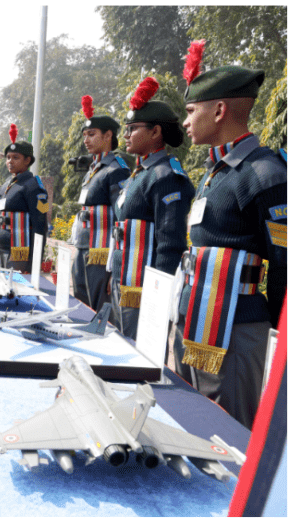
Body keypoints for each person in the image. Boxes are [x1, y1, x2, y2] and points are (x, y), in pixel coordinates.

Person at [171, 41, 287, 429]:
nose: (185, 122)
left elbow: (284, 262)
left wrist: (270, 331)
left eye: (191, 111)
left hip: (236, 329)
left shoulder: (264, 174)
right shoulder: (219, 170)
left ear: (219, 110)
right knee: (190, 424)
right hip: (196, 320)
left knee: (228, 432)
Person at [109, 77, 195, 340]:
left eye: (132, 128)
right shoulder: (141, 172)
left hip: (144, 290)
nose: (125, 135)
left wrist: (158, 300)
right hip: (124, 280)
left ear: (155, 132)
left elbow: (169, 245)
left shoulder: (166, 176)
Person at [71, 95, 130, 311]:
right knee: (79, 306)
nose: (86, 140)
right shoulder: (93, 169)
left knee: (98, 312)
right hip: (84, 247)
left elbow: (121, 218)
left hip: (101, 253)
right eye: (85, 135)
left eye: (92, 134)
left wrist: (113, 269)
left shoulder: (117, 170)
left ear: (108, 136)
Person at [0, 124, 49, 273]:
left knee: (16, 288)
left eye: (16, 157)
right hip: (2, 247)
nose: (10, 161)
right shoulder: (7, 184)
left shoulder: (33, 186)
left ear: (27, 160)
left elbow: (40, 223)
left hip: (20, 250)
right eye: (8, 158)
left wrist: (36, 257)